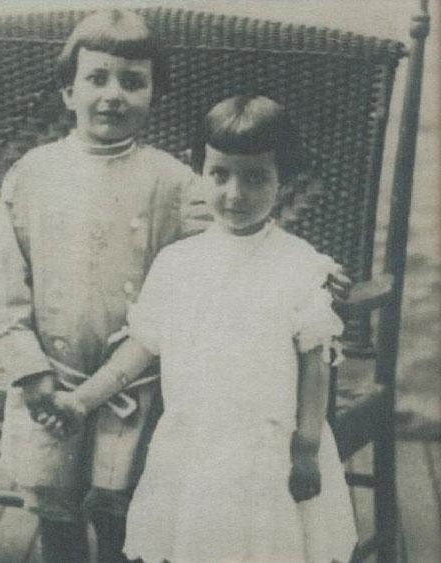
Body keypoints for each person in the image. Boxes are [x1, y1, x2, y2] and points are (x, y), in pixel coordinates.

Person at [51, 95, 360, 562]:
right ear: (201, 173)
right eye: (220, 174)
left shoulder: (301, 265)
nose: (235, 193)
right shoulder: (178, 263)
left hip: (267, 451)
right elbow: (140, 349)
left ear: (284, 183)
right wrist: (82, 399)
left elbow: (316, 367)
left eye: (255, 177)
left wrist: (307, 447)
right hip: (195, 450)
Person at [0, 9, 195, 562]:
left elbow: (228, 246)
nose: (113, 95)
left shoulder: (175, 182)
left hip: (137, 381)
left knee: (122, 511)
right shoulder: (32, 173)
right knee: (55, 508)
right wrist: (31, 373)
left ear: (155, 94)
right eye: (97, 78)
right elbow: (6, 289)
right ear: (68, 90)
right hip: (50, 377)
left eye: (133, 81)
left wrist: (311, 272)